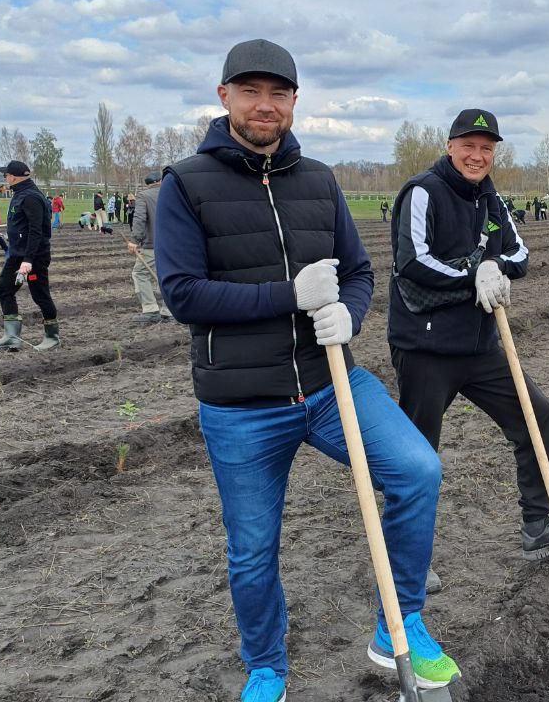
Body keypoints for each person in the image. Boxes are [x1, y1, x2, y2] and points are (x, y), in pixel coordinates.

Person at [152, 39, 459, 702]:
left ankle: (397, 626)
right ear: (224, 96)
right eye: (251, 91)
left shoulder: (319, 180)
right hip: (242, 405)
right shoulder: (185, 184)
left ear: (294, 102)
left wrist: (349, 314)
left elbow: (358, 271)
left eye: (279, 93)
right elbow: (182, 292)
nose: (266, 105)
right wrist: (287, 296)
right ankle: (266, 667)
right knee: (254, 550)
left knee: (417, 471)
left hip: (329, 386)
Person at [388, 107, 549, 570]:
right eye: (469, 146)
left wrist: (494, 265)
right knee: (417, 454)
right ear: (450, 147)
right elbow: (412, 262)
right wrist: (472, 275)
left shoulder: (491, 198)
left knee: (536, 415)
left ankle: (538, 524)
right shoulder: (424, 191)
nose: (477, 155)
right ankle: (405, 559)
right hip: (426, 348)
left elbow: (519, 253)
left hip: (481, 345)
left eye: (486, 148)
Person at [0, 161, 60, 352]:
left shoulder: (31, 197)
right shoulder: (21, 194)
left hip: (33, 257)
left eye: (6, 175)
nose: (5, 178)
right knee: (4, 289)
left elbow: (36, 231)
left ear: (14, 177)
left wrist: (28, 260)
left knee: (40, 295)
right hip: (17, 255)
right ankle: (12, 337)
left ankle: (52, 337)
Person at [126, 172, 171, 324]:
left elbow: (139, 218)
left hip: (152, 244)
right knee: (168, 275)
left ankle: (151, 309)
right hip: (172, 244)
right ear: (161, 181)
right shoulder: (173, 192)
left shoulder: (143, 196)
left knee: (139, 273)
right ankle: (169, 310)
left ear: (148, 184)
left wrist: (134, 240)